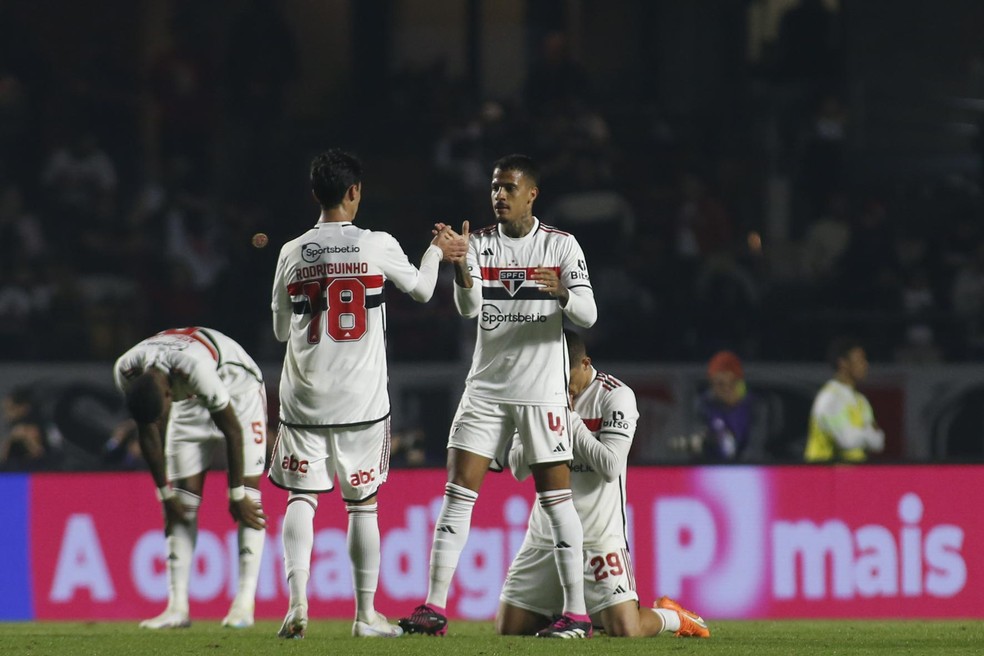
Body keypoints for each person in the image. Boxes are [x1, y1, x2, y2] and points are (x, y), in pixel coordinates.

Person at [268, 149, 465, 640]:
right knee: (362, 506)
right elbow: (421, 290)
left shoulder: (291, 251)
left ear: (315, 194)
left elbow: (277, 330)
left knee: (301, 499)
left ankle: (296, 604)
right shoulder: (375, 244)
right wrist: (437, 249)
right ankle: (364, 617)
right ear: (354, 192)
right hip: (360, 401)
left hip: (302, 399)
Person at [399, 153, 598, 638]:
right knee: (456, 494)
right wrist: (463, 266)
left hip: (540, 393)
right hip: (485, 389)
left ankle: (577, 615)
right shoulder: (481, 244)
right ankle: (434, 607)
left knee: (556, 501)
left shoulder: (561, 245)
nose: (499, 196)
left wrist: (563, 296)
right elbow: (469, 308)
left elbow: (589, 315)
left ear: (531, 193)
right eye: (494, 187)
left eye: (508, 188)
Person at [497, 330, 710, 639]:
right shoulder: (538, 395)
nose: (559, 385)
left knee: (626, 629)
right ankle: (573, 618)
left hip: (599, 536)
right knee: (509, 629)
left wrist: (569, 422)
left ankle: (674, 617)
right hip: (546, 536)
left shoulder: (616, 395)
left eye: (565, 375)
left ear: (585, 364)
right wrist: (543, 423)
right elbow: (517, 468)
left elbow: (610, 466)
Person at [113, 326, 268, 629]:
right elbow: (147, 429)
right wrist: (164, 494)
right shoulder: (126, 369)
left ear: (168, 395)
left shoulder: (194, 368)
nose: (160, 420)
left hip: (237, 391)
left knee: (248, 497)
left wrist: (235, 494)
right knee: (182, 502)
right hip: (189, 401)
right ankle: (177, 607)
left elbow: (233, 431)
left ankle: (244, 605)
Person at [674, 350, 770, 462]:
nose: (726, 389)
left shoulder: (755, 406)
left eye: (731, 383)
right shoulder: (703, 405)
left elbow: (756, 446)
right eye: (720, 384)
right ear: (712, 384)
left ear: (738, 382)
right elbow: (696, 443)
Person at [804, 336, 885, 462]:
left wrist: (860, 434)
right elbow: (847, 441)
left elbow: (878, 442)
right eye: (860, 360)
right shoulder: (829, 398)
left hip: (852, 476)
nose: (865, 364)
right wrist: (867, 433)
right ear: (843, 363)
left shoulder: (861, 401)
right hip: (823, 476)